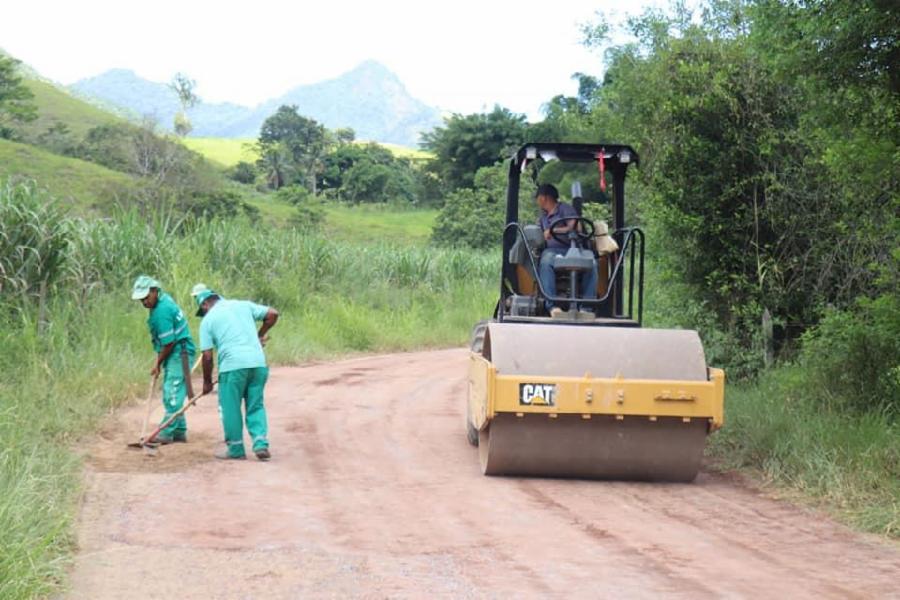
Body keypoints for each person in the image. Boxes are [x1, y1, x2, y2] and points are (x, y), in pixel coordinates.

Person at [195, 289, 279, 461]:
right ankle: (260, 443)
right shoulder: (243, 305)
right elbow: (272, 314)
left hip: (232, 368)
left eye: (202, 310)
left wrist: (207, 382)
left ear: (205, 304)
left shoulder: (207, 321)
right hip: (258, 364)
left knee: (230, 407)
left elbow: (208, 356)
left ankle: (236, 448)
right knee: (255, 404)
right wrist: (259, 335)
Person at [131, 275, 195, 444]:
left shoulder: (161, 311)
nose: (144, 302)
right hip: (176, 351)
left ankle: (166, 432)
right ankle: (179, 430)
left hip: (179, 352)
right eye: (141, 300)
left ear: (154, 291)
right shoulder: (163, 299)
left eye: (146, 297)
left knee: (172, 391)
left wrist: (157, 364)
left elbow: (168, 342)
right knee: (173, 388)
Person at [535, 184, 599, 317]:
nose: (537, 201)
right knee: (545, 262)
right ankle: (553, 307)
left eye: (537, 198)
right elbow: (539, 235)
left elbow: (577, 227)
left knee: (592, 262)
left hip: (574, 248)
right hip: (553, 251)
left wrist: (555, 230)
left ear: (543, 198)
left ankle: (586, 308)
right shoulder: (543, 217)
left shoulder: (565, 209)